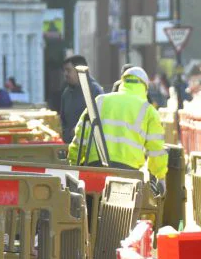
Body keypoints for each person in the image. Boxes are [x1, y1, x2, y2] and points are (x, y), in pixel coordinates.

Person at [68, 67, 168, 195]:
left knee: (91, 210)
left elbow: (81, 136)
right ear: (144, 87)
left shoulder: (100, 100)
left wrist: (72, 162)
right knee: (123, 213)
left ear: (122, 82)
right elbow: (156, 149)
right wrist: (160, 176)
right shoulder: (148, 110)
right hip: (128, 173)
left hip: (95, 168)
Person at [60, 55, 103, 144]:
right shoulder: (66, 93)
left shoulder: (95, 91)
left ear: (80, 71)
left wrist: (79, 130)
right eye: (64, 70)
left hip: (90, 148)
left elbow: (101, 120)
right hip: (71, 146)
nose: (65, 74)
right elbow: (63, 121)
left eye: (68, 70)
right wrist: (66, 135)